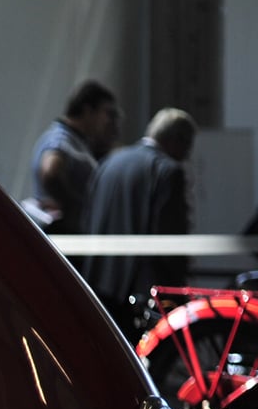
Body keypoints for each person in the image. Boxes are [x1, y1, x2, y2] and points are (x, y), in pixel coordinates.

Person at [80, 108, 197, 339]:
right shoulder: (168, 171)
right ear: (177, 141)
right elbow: (168, 238)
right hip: (140, 293)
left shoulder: (108, 162)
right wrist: (179, 289)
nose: (186, 156)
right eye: (187, 148)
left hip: (98, 284)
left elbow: (88, 219)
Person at [28, 80, 122, 233]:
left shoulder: (75, 142)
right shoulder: (61, 139)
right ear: (88, 111)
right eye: (107, 114)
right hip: (64, 236)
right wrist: (76, 208)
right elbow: (50, 171)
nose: (109, 122)